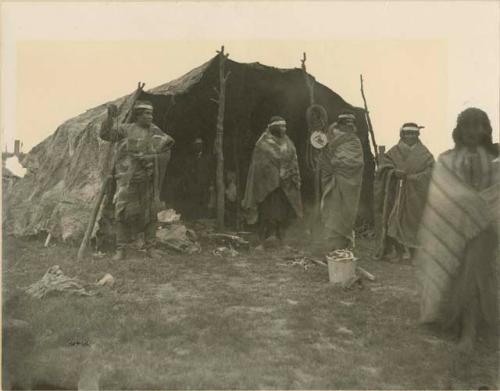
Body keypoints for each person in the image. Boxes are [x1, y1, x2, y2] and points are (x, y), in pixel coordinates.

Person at [415, 108, 498, 354]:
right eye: (467, 126)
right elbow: (443, 194)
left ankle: (473, 330)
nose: (473, 131)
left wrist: (481, 206)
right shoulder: (447, 159)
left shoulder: (495, 158)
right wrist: (468, 204)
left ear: (486, 129)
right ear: (459, 130)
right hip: (454, 227)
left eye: (478, 126)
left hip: (487, 228)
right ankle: (462, 327)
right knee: (458, 275)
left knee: (477, 275)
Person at [100, 100, 175, 260]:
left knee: (151, 214)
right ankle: (121, 249)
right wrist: (109, 118)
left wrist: (149, 158)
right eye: (146, 114)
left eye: (151, 114)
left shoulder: (155, 132)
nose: (150, 117)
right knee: (121, 213)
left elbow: (166, 151)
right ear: (138, 115)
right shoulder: (126, 129)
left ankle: (151, 247)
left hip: (147, 181)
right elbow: (106, 135)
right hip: (126, 180)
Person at [374, 123, 434, 262]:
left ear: (418, 135)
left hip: (416, 195)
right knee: (394, 220)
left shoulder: (425, 153)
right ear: (402, 135)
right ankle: (399, 253)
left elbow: (432, 171)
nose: (411, 136)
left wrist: (415, 178)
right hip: (396, 194)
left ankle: (414, 254)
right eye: (408, 134)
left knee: (414, 222)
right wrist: (394, 172)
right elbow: (383, 168)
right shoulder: (393, 152)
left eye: (414, 134)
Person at [242, 116, 303, 243]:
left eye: (285, 126)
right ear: (273, 127)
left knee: (283, 212)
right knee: (269, 212)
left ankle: (281, 237)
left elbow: (293, 159)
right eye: (281, 126)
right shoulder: (263, 144)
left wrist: (287, 172)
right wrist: (275, 175)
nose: (284, 129)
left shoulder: (288, 142)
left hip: (285, 186)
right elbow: (259, 166)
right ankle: (268, 237)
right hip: (268, 188)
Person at [319, 111, 364, 251]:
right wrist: (329, 165)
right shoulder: (329, 139)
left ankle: (343, 245)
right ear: (340, 124)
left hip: (349, 184)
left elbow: (357, 162)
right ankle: (332, 246)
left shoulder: (354, 142)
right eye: (345, 124)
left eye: (351, 124)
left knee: (346, 211)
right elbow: (324, 160)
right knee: (333, 211)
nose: (349, 126)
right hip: (332, 183)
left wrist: (336, 162)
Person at [178, 137, 214, 220]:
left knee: (204, 202)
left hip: (204, 184)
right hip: (193, 185)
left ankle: (203, 220)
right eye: (196, 144)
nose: (198, 146)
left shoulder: (207, 157)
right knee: (193, 203)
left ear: (202, 145)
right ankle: (194, 220)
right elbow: (186, 171)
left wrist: (211, 184)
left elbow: (211, 171)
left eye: (200, 144)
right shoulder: (189, 158)